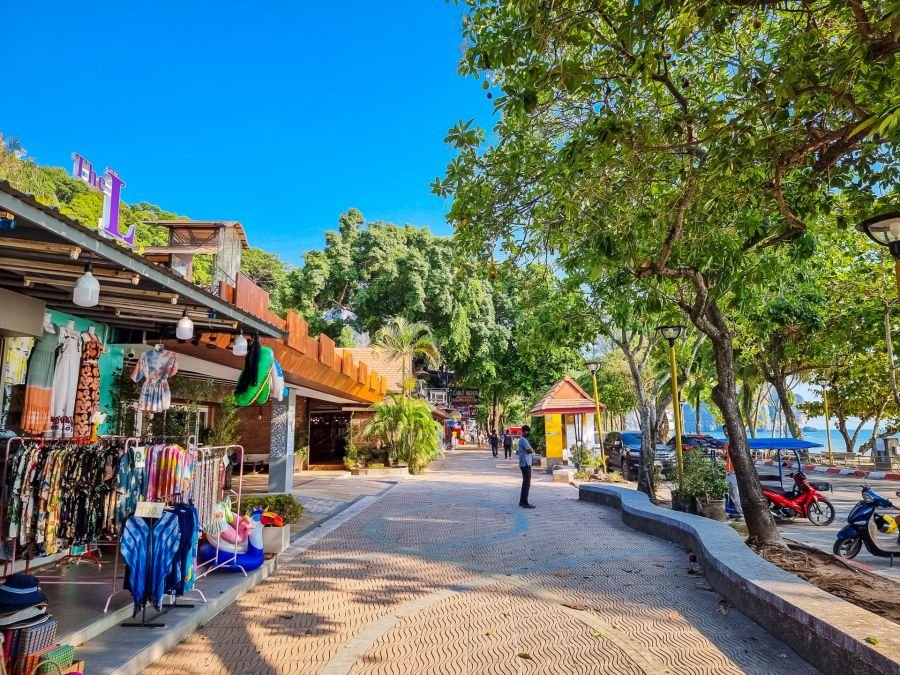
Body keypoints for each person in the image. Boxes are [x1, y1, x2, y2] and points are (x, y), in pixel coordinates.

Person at [723, 426, 742, 518]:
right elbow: (726, 458)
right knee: (729, 492)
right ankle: (736, 509)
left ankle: (740, 511)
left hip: (734, 473)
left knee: (736, 492)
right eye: (724, 431)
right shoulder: (726, 444)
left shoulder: (736, 444)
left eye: (727, 431)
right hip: (728, 472)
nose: (726, 433)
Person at [517, 425, 535, 508]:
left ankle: (522, 501)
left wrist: (531, 450)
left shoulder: (523, 439)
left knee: (525, 483)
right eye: (526, 431)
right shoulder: (523, 440)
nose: (528, 433)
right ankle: (524, 502)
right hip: (525, 464)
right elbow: (530, 450)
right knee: (526, 484)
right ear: (523, 431)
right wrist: (531, 449)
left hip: (525, 463)